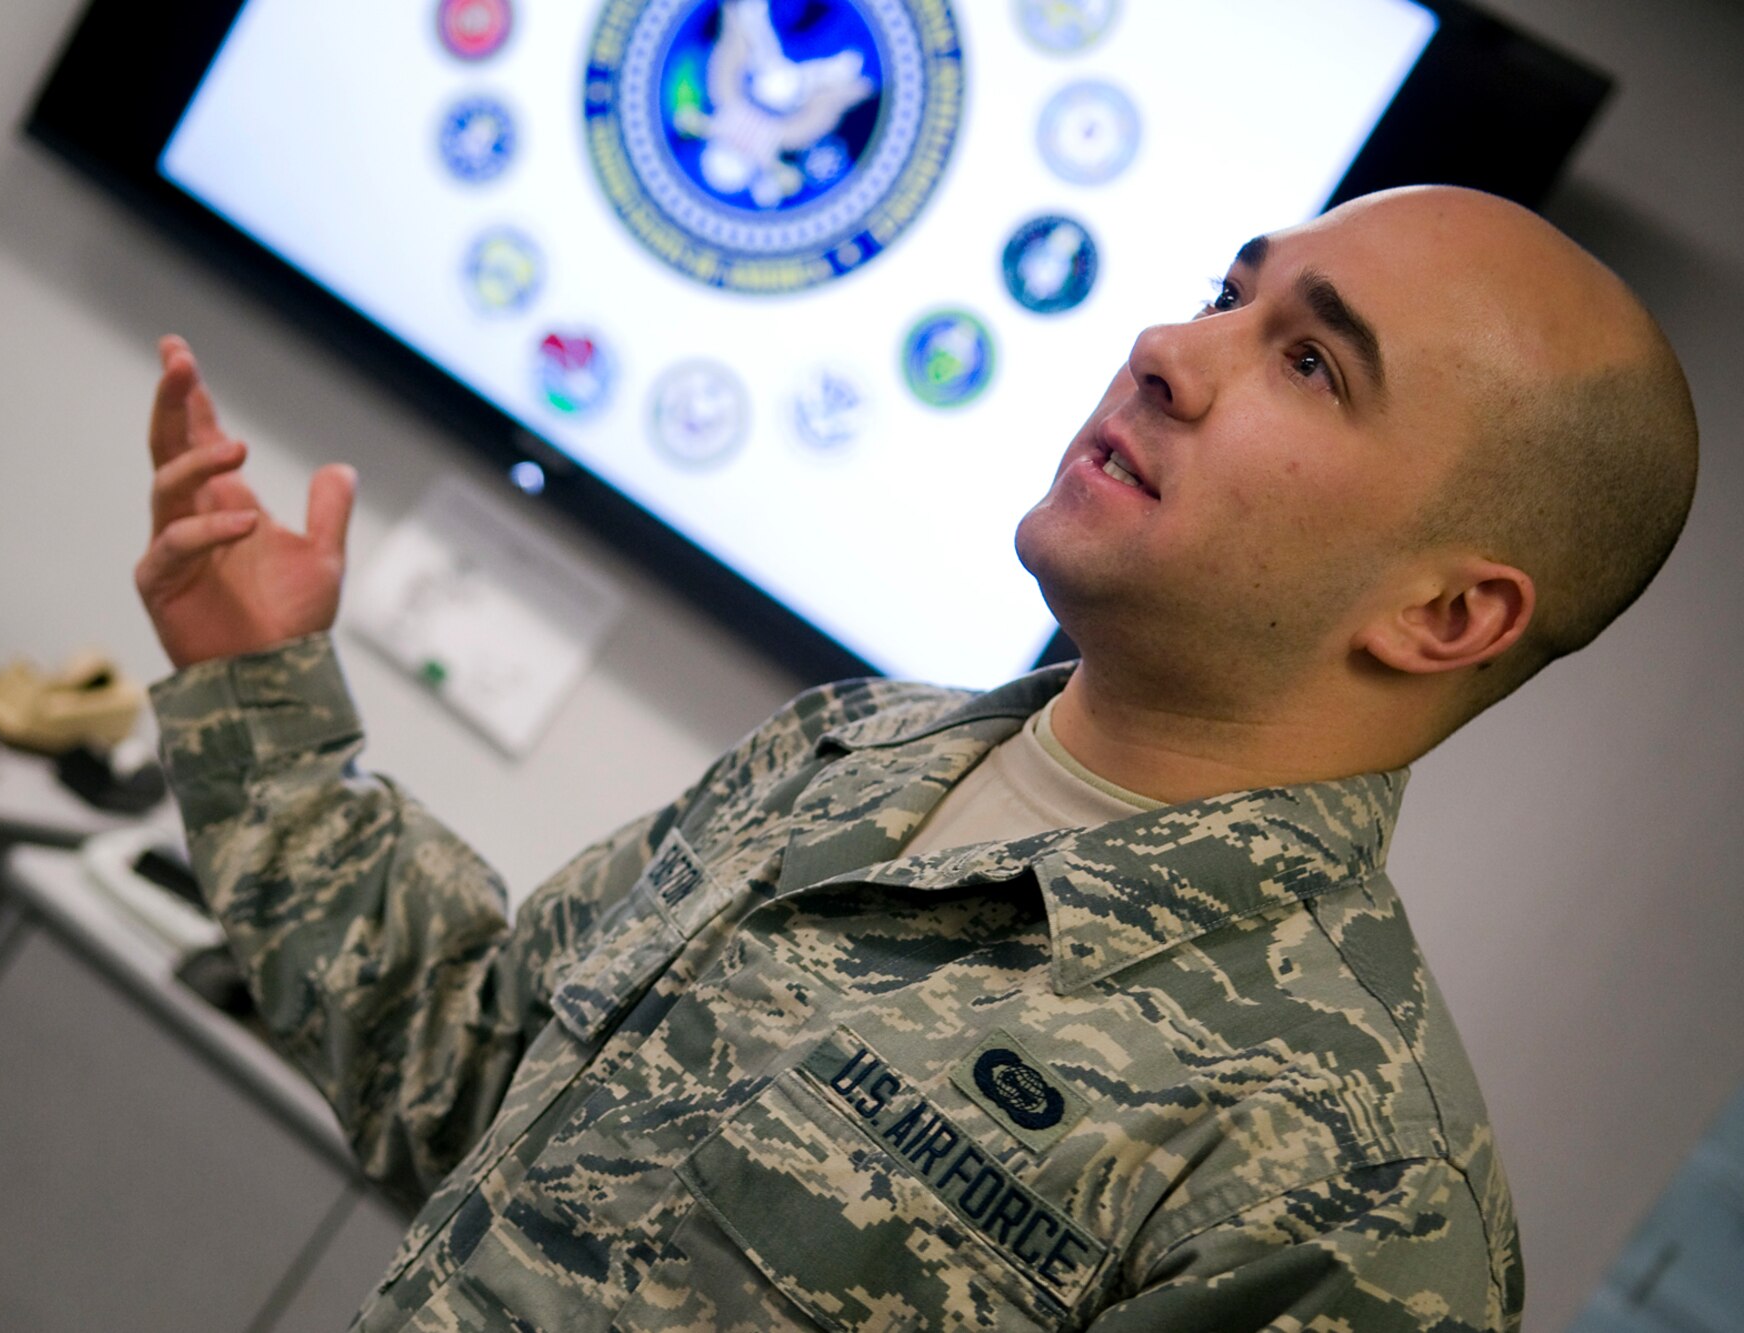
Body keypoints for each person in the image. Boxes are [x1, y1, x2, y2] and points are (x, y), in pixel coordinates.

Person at [135, 185, 1697, 1331]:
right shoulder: (846, 751)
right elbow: (464, 1078)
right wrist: (256, 688)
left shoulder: (1356, 1196)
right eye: (1229, 292)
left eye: (1310, 364)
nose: (1168, 346)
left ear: (1448, 612)